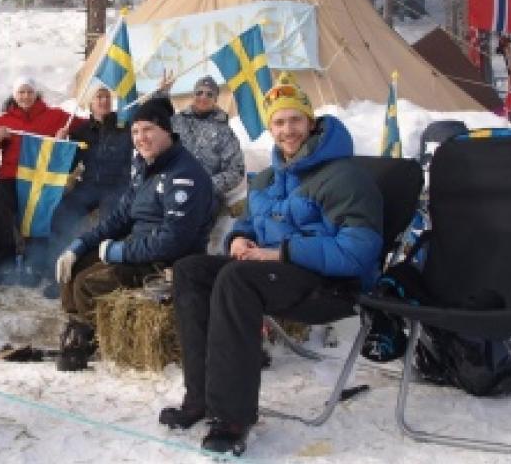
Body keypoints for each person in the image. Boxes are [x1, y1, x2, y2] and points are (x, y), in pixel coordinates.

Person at [161, 74, 383, 456]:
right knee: (191, 271)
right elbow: (247, 222)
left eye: (295, 119)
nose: (287, 130)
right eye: (278, 122)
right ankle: (200, 398)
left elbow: (358, 252)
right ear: (270, 128)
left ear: (311, 122)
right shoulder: (267, 177)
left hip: (332, 286)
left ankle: (231, 418)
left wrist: (281, 252)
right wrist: (240, 240)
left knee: (235, 280)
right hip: (279, 275)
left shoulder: (344, 175)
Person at [54, 97, 215, 371]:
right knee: (74, 268)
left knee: (87, 283)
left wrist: (120, 252)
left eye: (148, 129)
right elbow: (119, 218)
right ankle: (79, 327)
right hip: (140, 249)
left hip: (166, 263)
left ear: (167, 131)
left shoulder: (184, 174)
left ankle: (92, 337)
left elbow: (173, 241)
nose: (141, 138)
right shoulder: (144, 168)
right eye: (135, 131)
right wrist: (80, 245)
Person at [0, 77, 83, 285]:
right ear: (14, 95)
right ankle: (5, 262)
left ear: (36, 94)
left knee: (42, 208)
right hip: (11, 178)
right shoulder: (3, 121)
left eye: (29, 92)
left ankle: (34, 263)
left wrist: (66, 135)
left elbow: (84, 125)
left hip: (40, 179)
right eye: (21, 92)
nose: (25, 96)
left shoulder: (54, 116)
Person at [41, 83, 134, 298]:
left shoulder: (124, 127)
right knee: (60, 215)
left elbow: (151, 124)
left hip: (117, 186)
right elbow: (67, 165)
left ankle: (101, 277)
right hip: (89, 186)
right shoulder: (81, 131)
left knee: (110, 225)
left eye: (106, 97)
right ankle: (57, 272)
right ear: (90, 103)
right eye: (98, 97)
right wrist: (62, 144)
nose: (103, 101)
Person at [170, 76, 245, 213]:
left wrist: (205, 184)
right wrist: (161, 94)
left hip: (205, 194)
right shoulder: (175, 122)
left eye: (209, 94)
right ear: (193, 96)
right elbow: (153, 124)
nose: (203, 97)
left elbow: (236, 170)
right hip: (172, 187)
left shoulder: (225, 132)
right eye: (199, 92)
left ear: (215, 100)